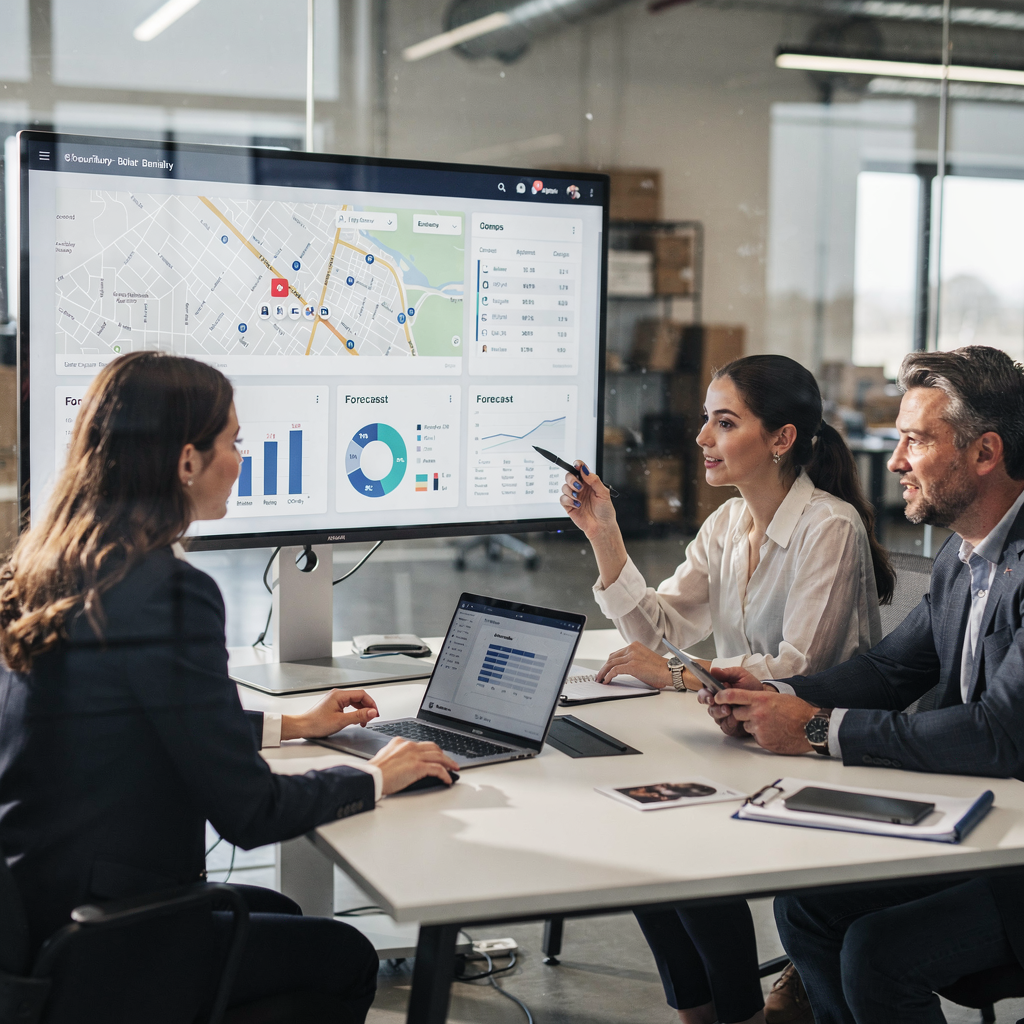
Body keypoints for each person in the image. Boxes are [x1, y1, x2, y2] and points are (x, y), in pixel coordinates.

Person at [0, 352, 458, 1022]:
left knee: (278, 913)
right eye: (233, 442)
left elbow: (119, 723)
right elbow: (249, 813)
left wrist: (289, 727)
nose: (241, 458)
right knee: (344, 958)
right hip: (106, 940)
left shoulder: (43, 568)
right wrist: (378, 777)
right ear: (186, 462)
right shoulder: (169, 591)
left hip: (41, 909)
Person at [561, 354, 895, 1024]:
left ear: (781, 438)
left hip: (816, 751)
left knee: (681, 845)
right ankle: (706, 1013)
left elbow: (806, 665)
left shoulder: (829, 528)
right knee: (645, 839)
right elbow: (659, 630)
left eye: (724, 422)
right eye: (705, 422)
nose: (702, 439)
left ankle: (737, 1015)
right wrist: (605, 535)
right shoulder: (727, 526)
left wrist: (682, 674)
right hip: (745, 738)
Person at [700, 345, 1024, 1024]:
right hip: (985, 823)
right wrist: (777, 700)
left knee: (878, 951)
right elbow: (890, 670)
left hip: (1017, 857)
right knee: (807, 905)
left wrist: (817, 729)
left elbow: (1000, 733)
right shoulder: (962, 558)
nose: (897, 461)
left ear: (984, 453)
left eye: (915, 441)